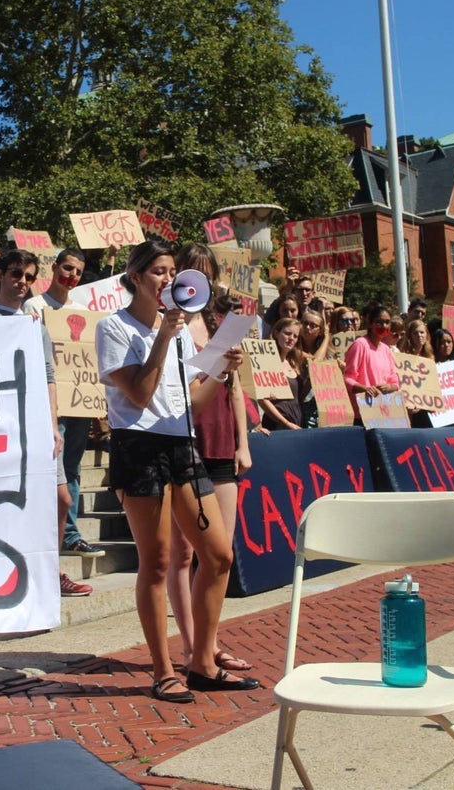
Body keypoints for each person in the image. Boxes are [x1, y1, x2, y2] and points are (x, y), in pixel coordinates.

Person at [96, 241, 258, 703]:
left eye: (172, 272)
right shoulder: (114, 328)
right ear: (134, 278)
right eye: (158, 272)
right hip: (139, 448)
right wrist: (163, 337)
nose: (168, 280)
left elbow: (191, 402)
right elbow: (142, 395)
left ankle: (203, 661)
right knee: (159, 561)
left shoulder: (186, 330)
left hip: (182, 446)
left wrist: (222, 373)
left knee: (219, 555)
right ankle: (164, 670)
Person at [0, 249, 91, 596]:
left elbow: (48, 374)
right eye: (15, 275)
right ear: (0, 275)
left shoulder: (34, 322)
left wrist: (53, 425)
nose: (22, 282)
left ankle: (50, 573)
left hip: (35, 425)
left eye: (28, 277)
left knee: (62, 500)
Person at [166, 246, 253, 676]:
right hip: (184, 437)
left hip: (219, 439)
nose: (200, 280)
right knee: (182, 553)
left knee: (219, 555)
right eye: (192, 272)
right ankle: (189, 646)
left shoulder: (221, 321)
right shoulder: (171, 321)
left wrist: (243, 442)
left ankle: (210, 643)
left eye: (207, 273)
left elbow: (235, 385)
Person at [21, 247, 103, 558]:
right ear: (54, 268)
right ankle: (44, 530)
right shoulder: (34, 305)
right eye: (67, 268)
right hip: (47, 402)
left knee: (72, 468)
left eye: (77, 272)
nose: (71, 276)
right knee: (50, 469)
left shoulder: (83, 310)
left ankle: (69, 533)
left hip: (78, 401)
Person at [343, 302, 400, 423]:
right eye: (379, 322)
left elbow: (394, 379)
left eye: (387, 322)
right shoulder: (360, 345)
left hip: (384, 413)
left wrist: (389, 387)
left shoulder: (386, 349)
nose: (383, 326)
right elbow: (347, 378)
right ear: (370, 323)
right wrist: (365, 389)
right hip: (363, 413)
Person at [259, 318, 308, 431]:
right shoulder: (266, 361)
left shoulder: (294, 362)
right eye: (287, 333)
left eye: (295, 336)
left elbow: (298, 396)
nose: (291, 338)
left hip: (297, 422)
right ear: (276, 333)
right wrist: (285, 422)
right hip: (277, 425)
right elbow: (262, 400)